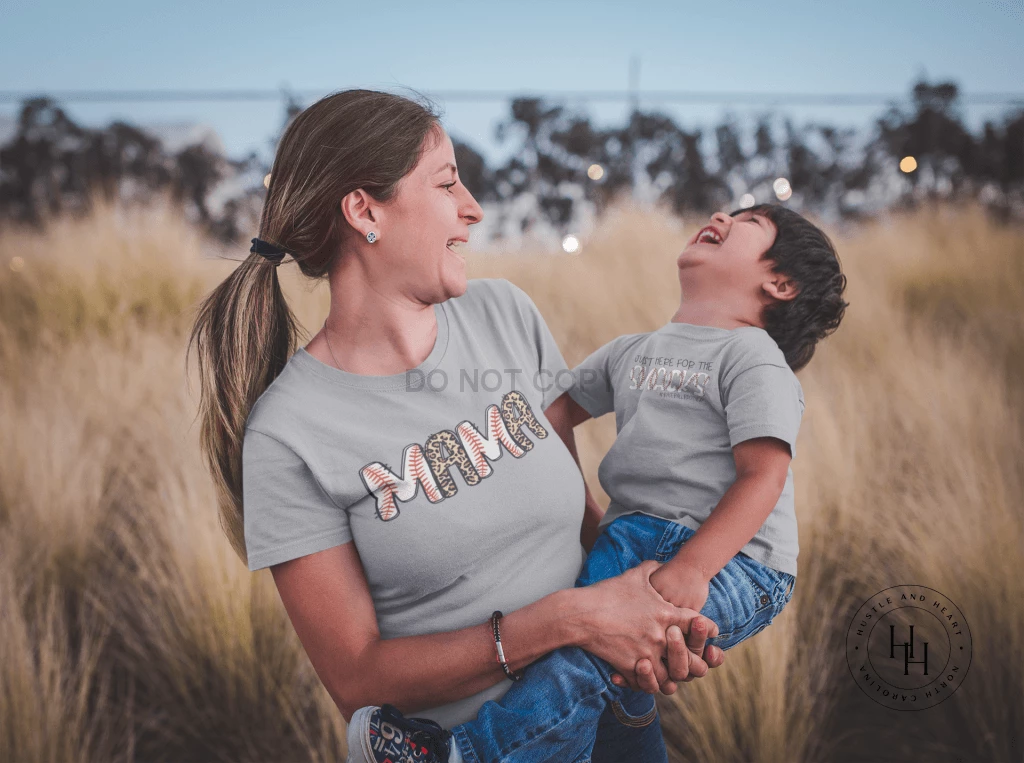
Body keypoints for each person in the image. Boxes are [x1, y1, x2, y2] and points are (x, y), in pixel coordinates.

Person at [186, 88, 727, 763]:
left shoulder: (507, 314)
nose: (472, 209)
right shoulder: (287, 434)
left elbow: (581, 516)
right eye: (447, 183)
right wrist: (568, 621)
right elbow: (357, 676)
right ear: (364, 210)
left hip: (613, 702)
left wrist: (650, 622)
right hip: (480, 746)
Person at [345, 203, 849, 763]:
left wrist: (692, 569)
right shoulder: (634, 350)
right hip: (631, 538)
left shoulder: (753, 357)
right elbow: (553, 414)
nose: (720, 216)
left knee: (581, 657)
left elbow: (764, 476)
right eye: (726, 212)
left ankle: (465, 755)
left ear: (779, 283)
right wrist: (584, 510)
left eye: (748, 223)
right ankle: (617, 709)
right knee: (580, 645)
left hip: (739, 561)